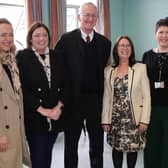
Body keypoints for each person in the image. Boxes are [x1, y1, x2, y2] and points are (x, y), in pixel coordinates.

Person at [54, 2, 111, 168]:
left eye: (93, 15)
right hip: (73, 102)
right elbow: (57, 67)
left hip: (95, 101)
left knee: (97, 146)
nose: (89, 18)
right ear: (79, 17)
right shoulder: (66, 40)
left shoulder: (104, 43)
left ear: (97, 19)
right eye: (86, 15)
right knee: (70, 146)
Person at [16, 22, 64, 168]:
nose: (41, 38)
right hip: (35, 118)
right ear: (30, 38)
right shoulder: (23, 57)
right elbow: (23, 89)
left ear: (49, 38)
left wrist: (58, 107)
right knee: (38, 159)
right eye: (37, 35)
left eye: (44, 35)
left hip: (55, 117)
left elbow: (65, 84)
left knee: (47, 156)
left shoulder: (57, 56)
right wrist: (44, 111)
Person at [102, 36, 151, 168]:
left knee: (132, 150)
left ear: (132, 49)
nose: (125, 48)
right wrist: (105, 120)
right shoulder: (108, 71)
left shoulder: (140, 68)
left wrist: (144, 120)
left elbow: (147, 96)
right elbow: (107, 97)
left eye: (128, 45)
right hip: (115, 120)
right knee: (116, 149)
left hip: (134, 119)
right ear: (116, 49)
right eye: (121, 45)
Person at [0, 18, 31, 168]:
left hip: (15, 127)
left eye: (11, 35)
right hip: (3, 132)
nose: (8, 39)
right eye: (3, 35)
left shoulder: (11, 61)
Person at [142, 17, 168, 168]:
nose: (164, 35)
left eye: (167, 32)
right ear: (155, 34)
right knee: (152, 143)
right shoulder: (147, 55)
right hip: (150, 108)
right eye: (161, 32)